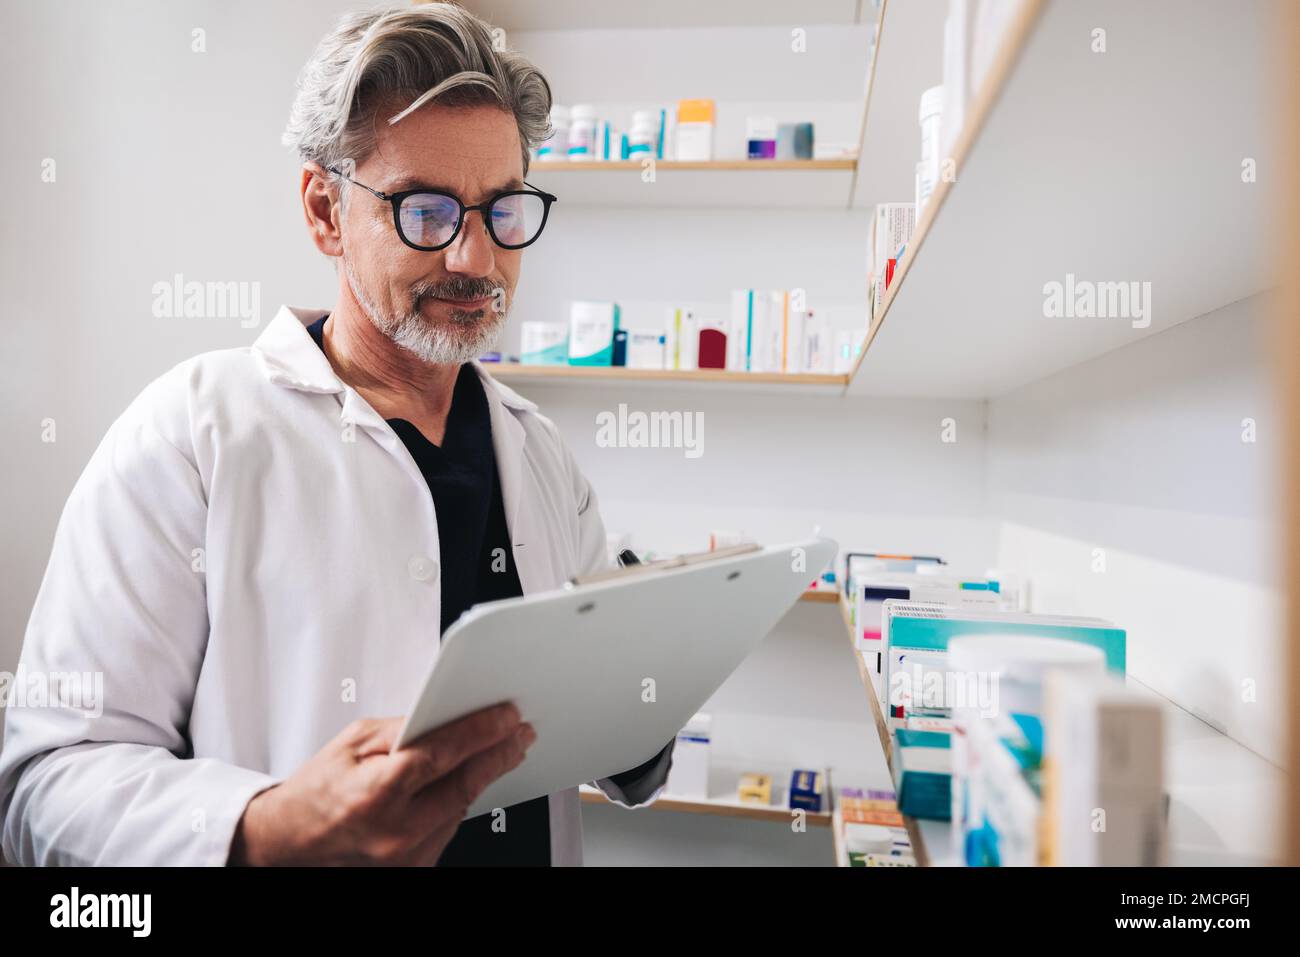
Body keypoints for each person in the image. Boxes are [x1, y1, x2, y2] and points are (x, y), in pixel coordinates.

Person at [0, 3, 672, 867]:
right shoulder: (189, 438)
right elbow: (45, 781)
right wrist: (265, 827)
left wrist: (650, 700)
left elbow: (596, 719)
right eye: (427, 212)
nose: (475, 259)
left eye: (503, 210)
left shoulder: (536, 451)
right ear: (325, 210)